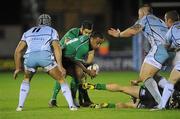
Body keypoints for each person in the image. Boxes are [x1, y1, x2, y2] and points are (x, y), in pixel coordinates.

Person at [14, 14, 77, 111]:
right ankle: (71, 106)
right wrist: (60, 66)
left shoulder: (27, 32)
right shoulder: (52, 31)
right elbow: (57, 48)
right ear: (49, 22)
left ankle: (20, 106)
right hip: (44, 57)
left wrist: (18, 68)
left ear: (38, 22)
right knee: (61, 79)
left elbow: (18, 51)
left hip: (30, 58)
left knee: (26, 79)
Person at [108, 4, 169, 106]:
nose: (139, 17)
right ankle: (172, 93)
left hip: (159, 48)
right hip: (168, 50)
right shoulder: (160, 21)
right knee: (153, 76)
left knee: (145, 76)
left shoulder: (146, 18)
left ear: (144, 13)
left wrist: (119, 34)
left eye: (139, 14)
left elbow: (133, 30)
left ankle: (161, 104)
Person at [49, 21, 95, 107]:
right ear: (81, 29)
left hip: (73, 59)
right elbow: (68, 48)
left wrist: (87, 65)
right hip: (62, 56)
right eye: (86, 32)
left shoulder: (88, 38)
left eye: (90, 33)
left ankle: (78, 100)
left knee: (78, 75)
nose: (87, 35)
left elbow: (91, 53)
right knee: (66, 74)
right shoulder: (73, 33)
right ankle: (54, 99)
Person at [83, 76, 180, 109]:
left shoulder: (172, 81)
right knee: (127, 105)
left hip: (150, 93)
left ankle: (94, 86)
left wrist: (137, 81)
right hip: (152, 104)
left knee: (122, 88)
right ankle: (104, 106)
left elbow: (154, 77)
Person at [157, 10, 180, 109]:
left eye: (165, 20)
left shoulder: (171, 30)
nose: (165, 22)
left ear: (170, 20)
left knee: (171, 81)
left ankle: (161, 106)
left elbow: (165, 47)